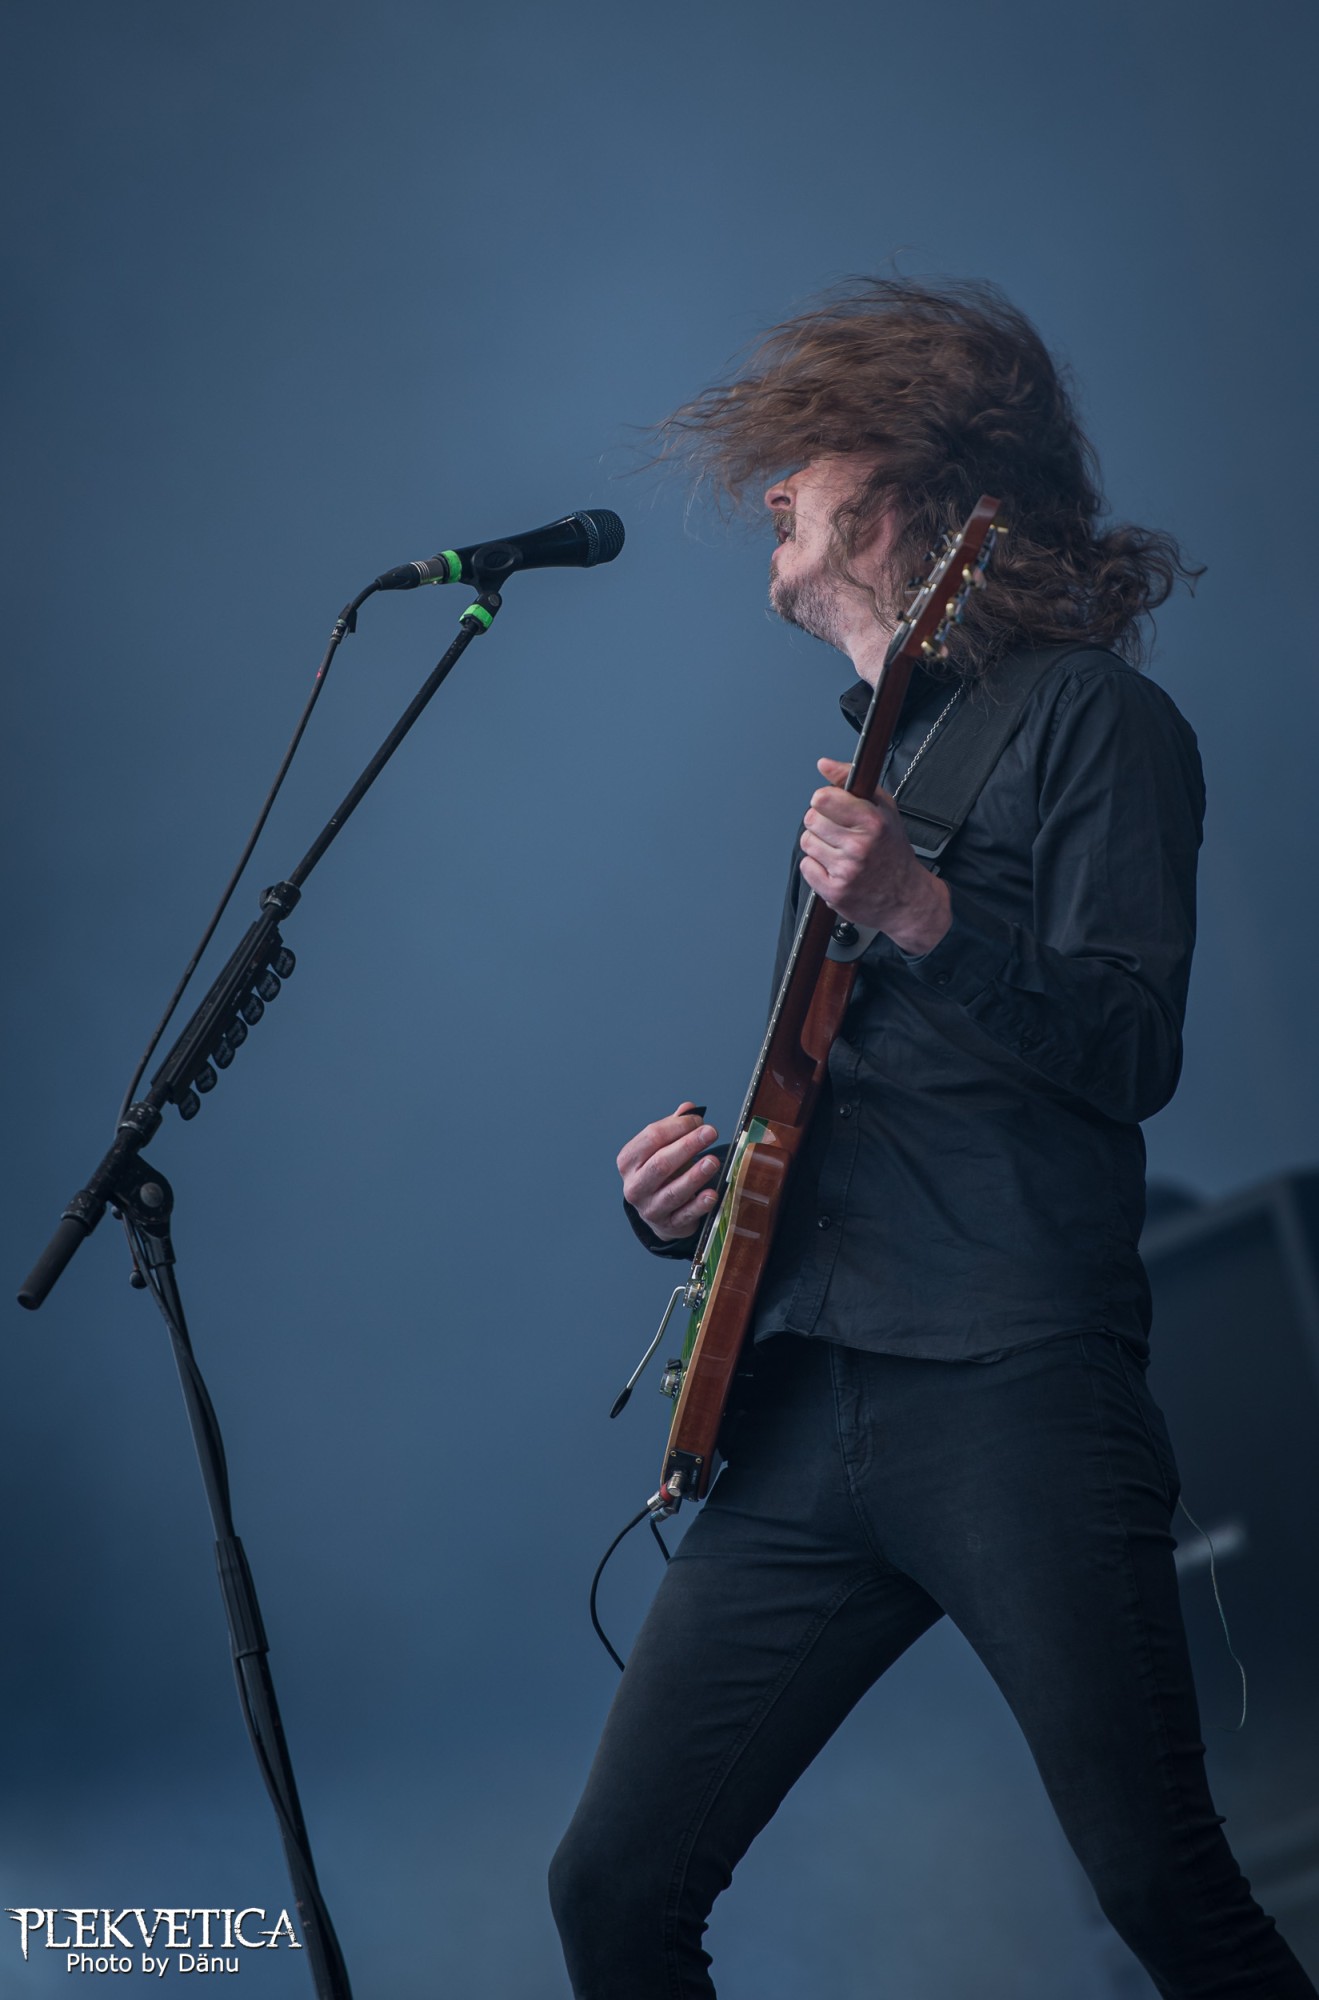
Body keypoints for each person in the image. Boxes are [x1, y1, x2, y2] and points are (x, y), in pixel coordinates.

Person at [548, 280, 1316, 1998]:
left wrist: (921, 911)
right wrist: (696, 1210)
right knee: (610, 1890)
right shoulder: (892, 754)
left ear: (917, 493)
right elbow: (873, 1099)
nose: (772, 489)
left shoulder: (1099, 721)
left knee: (1165, 1886)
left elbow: (1132, 1048)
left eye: (811, 458)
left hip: (1010, 1388)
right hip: (812, 1399)